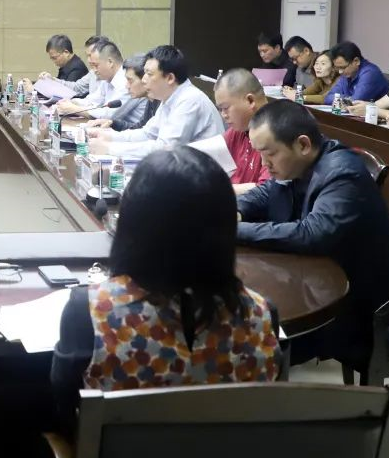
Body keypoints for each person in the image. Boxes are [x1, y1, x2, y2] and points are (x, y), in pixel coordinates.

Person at [51, 147, 279, 413]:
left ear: (132, 225)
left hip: (120, 442)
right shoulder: (262, 315)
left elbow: (64, 406)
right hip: (228, 442)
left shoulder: (89, 312)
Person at [236, 101, 389, 366]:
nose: (265, 164)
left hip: (352, 305)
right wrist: (236, 211)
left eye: (270, 154)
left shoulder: (343, 173)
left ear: (302, 144)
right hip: (311, 283)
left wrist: (235, 230)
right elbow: (267, 193)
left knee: (250, 342)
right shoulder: (298, 164)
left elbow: (312, 233)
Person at [88, 45, 224, 157]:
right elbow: (147, 133)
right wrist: (109, 137)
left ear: (170, 78)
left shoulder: (190, 101)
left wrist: (110, 148)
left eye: (149, 74)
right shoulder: (170, 97)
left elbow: (165, 149)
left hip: (206, 177)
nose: (143, 79)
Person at [213, 69, 271, 194]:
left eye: (226, 108)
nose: (223, 115)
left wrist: (218, 190)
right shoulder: (238, 129)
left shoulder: (276, 131)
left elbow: (267, 190)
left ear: (250, 101)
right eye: (220, 109)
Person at [55, 41, 128, 119]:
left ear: (110, 62)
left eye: (96, 65)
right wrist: (71, 102)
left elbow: (110, 115)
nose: (94, 70)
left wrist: (74, 109)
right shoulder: (107, 79)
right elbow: (92, 101)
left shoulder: (126, 82)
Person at [85, 54, 156, 131]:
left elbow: (147, 134)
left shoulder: (159, 102)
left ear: (145, 79)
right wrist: (113, 123)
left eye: (130, 81)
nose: (127, 86)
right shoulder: (151, 101)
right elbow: (140, 128)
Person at [28, 35, 104, 99]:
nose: (88, 60)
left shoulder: (77, 67)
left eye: (90, 55)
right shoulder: (92, 72)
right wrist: (52, 80)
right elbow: (77, 87)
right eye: (87, 56)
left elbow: (67, 93)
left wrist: (35, 90)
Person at [324, 41, 389, 106]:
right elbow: (328, 98)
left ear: (356, 61)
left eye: (343, 67)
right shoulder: (347, 73)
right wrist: (348, 98)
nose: (340, 72)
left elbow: (355, 102)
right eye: (337, 68)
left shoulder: (370, 73)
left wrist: (342, 99)